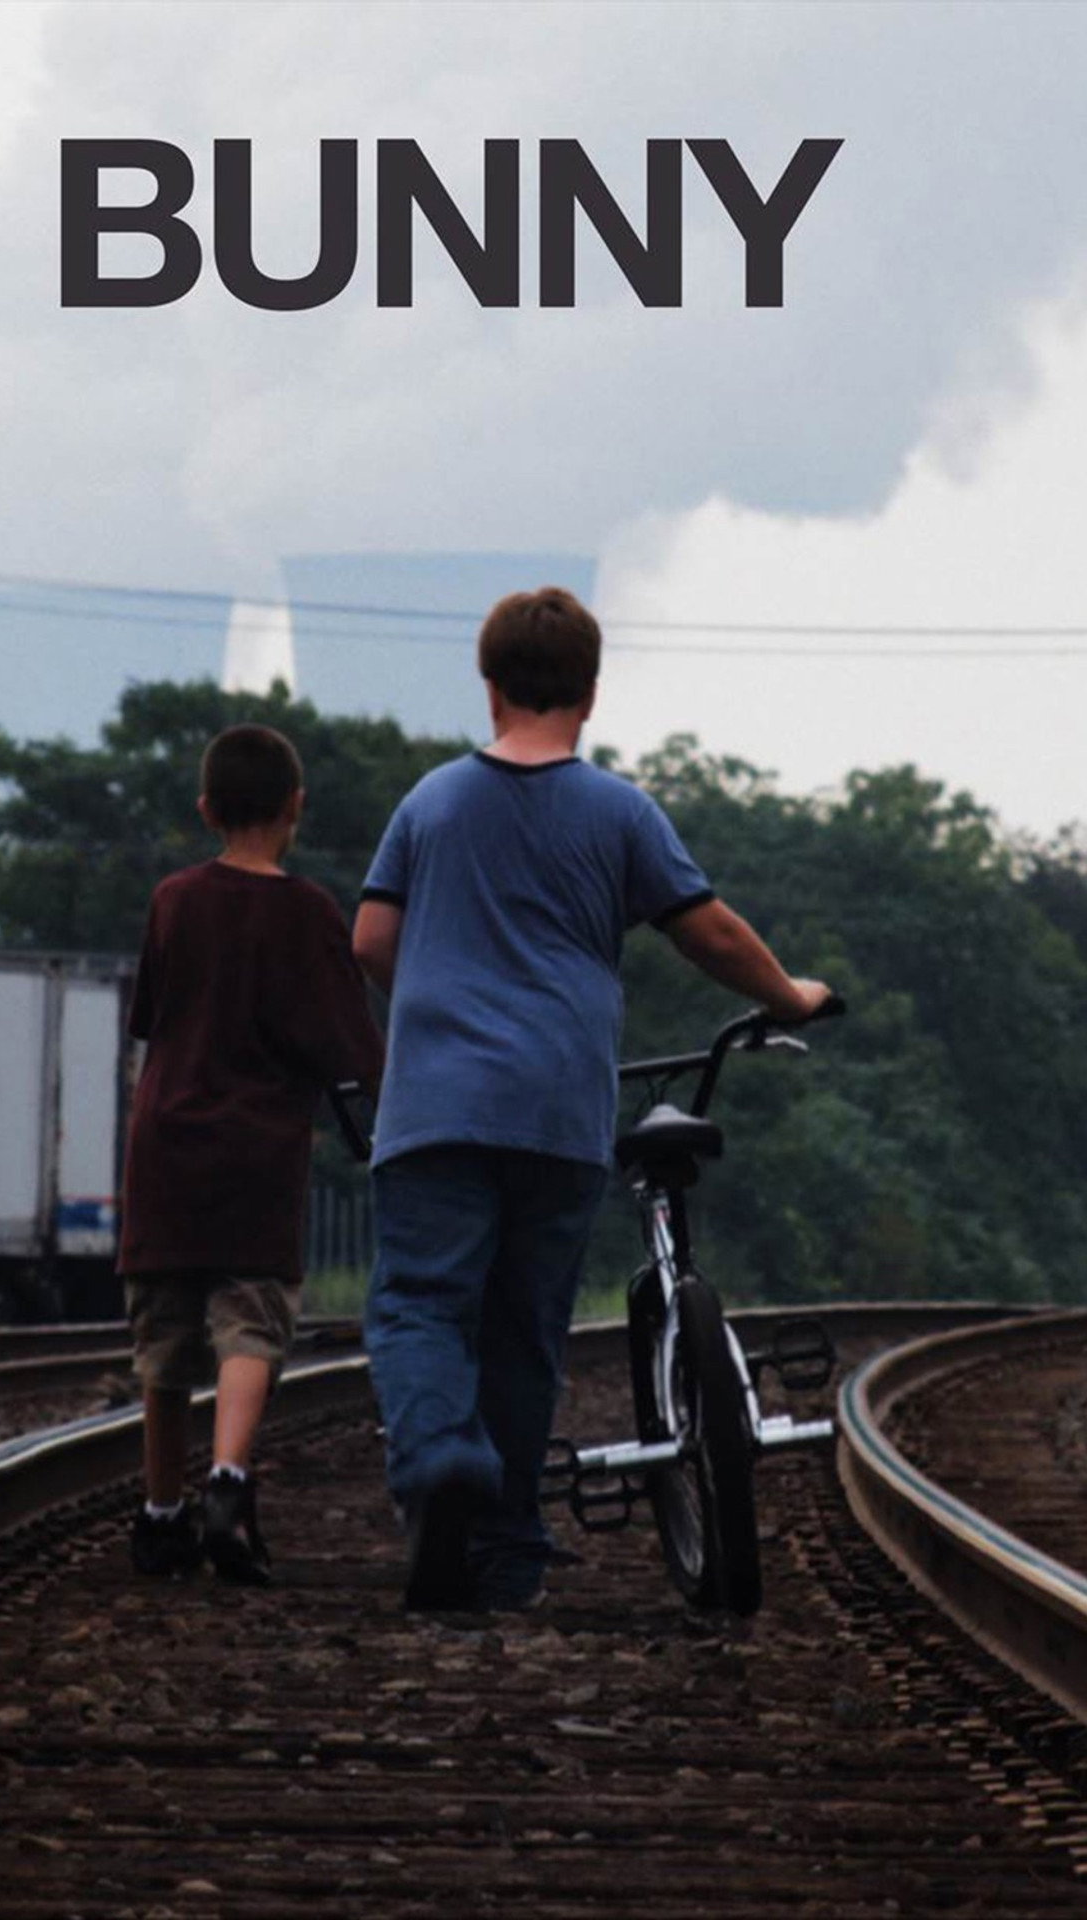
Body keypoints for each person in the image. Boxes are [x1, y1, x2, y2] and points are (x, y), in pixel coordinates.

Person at [353, 586, 831, 1613]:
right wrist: (788, 995)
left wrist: (437, 1003)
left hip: (436, 1107)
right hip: (556, 1110)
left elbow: (370, 940)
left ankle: (439, 1458)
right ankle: (506, 1552)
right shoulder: (619, 812)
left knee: (420, 1305)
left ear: (488, 687)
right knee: (526, 1331)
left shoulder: (429, 803)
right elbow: (706, 930)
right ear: (591, 694)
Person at [120, 723, 383, 1581]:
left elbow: (152, 1017)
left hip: (164, 1146)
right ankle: (228, 1484)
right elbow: (350, 1048)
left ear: (206, 810)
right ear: (295, 807)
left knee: (163, 1340)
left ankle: (161, 1514)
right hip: (258, 1152)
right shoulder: (309, 913)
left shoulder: (172, 899)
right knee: (250, 1323)